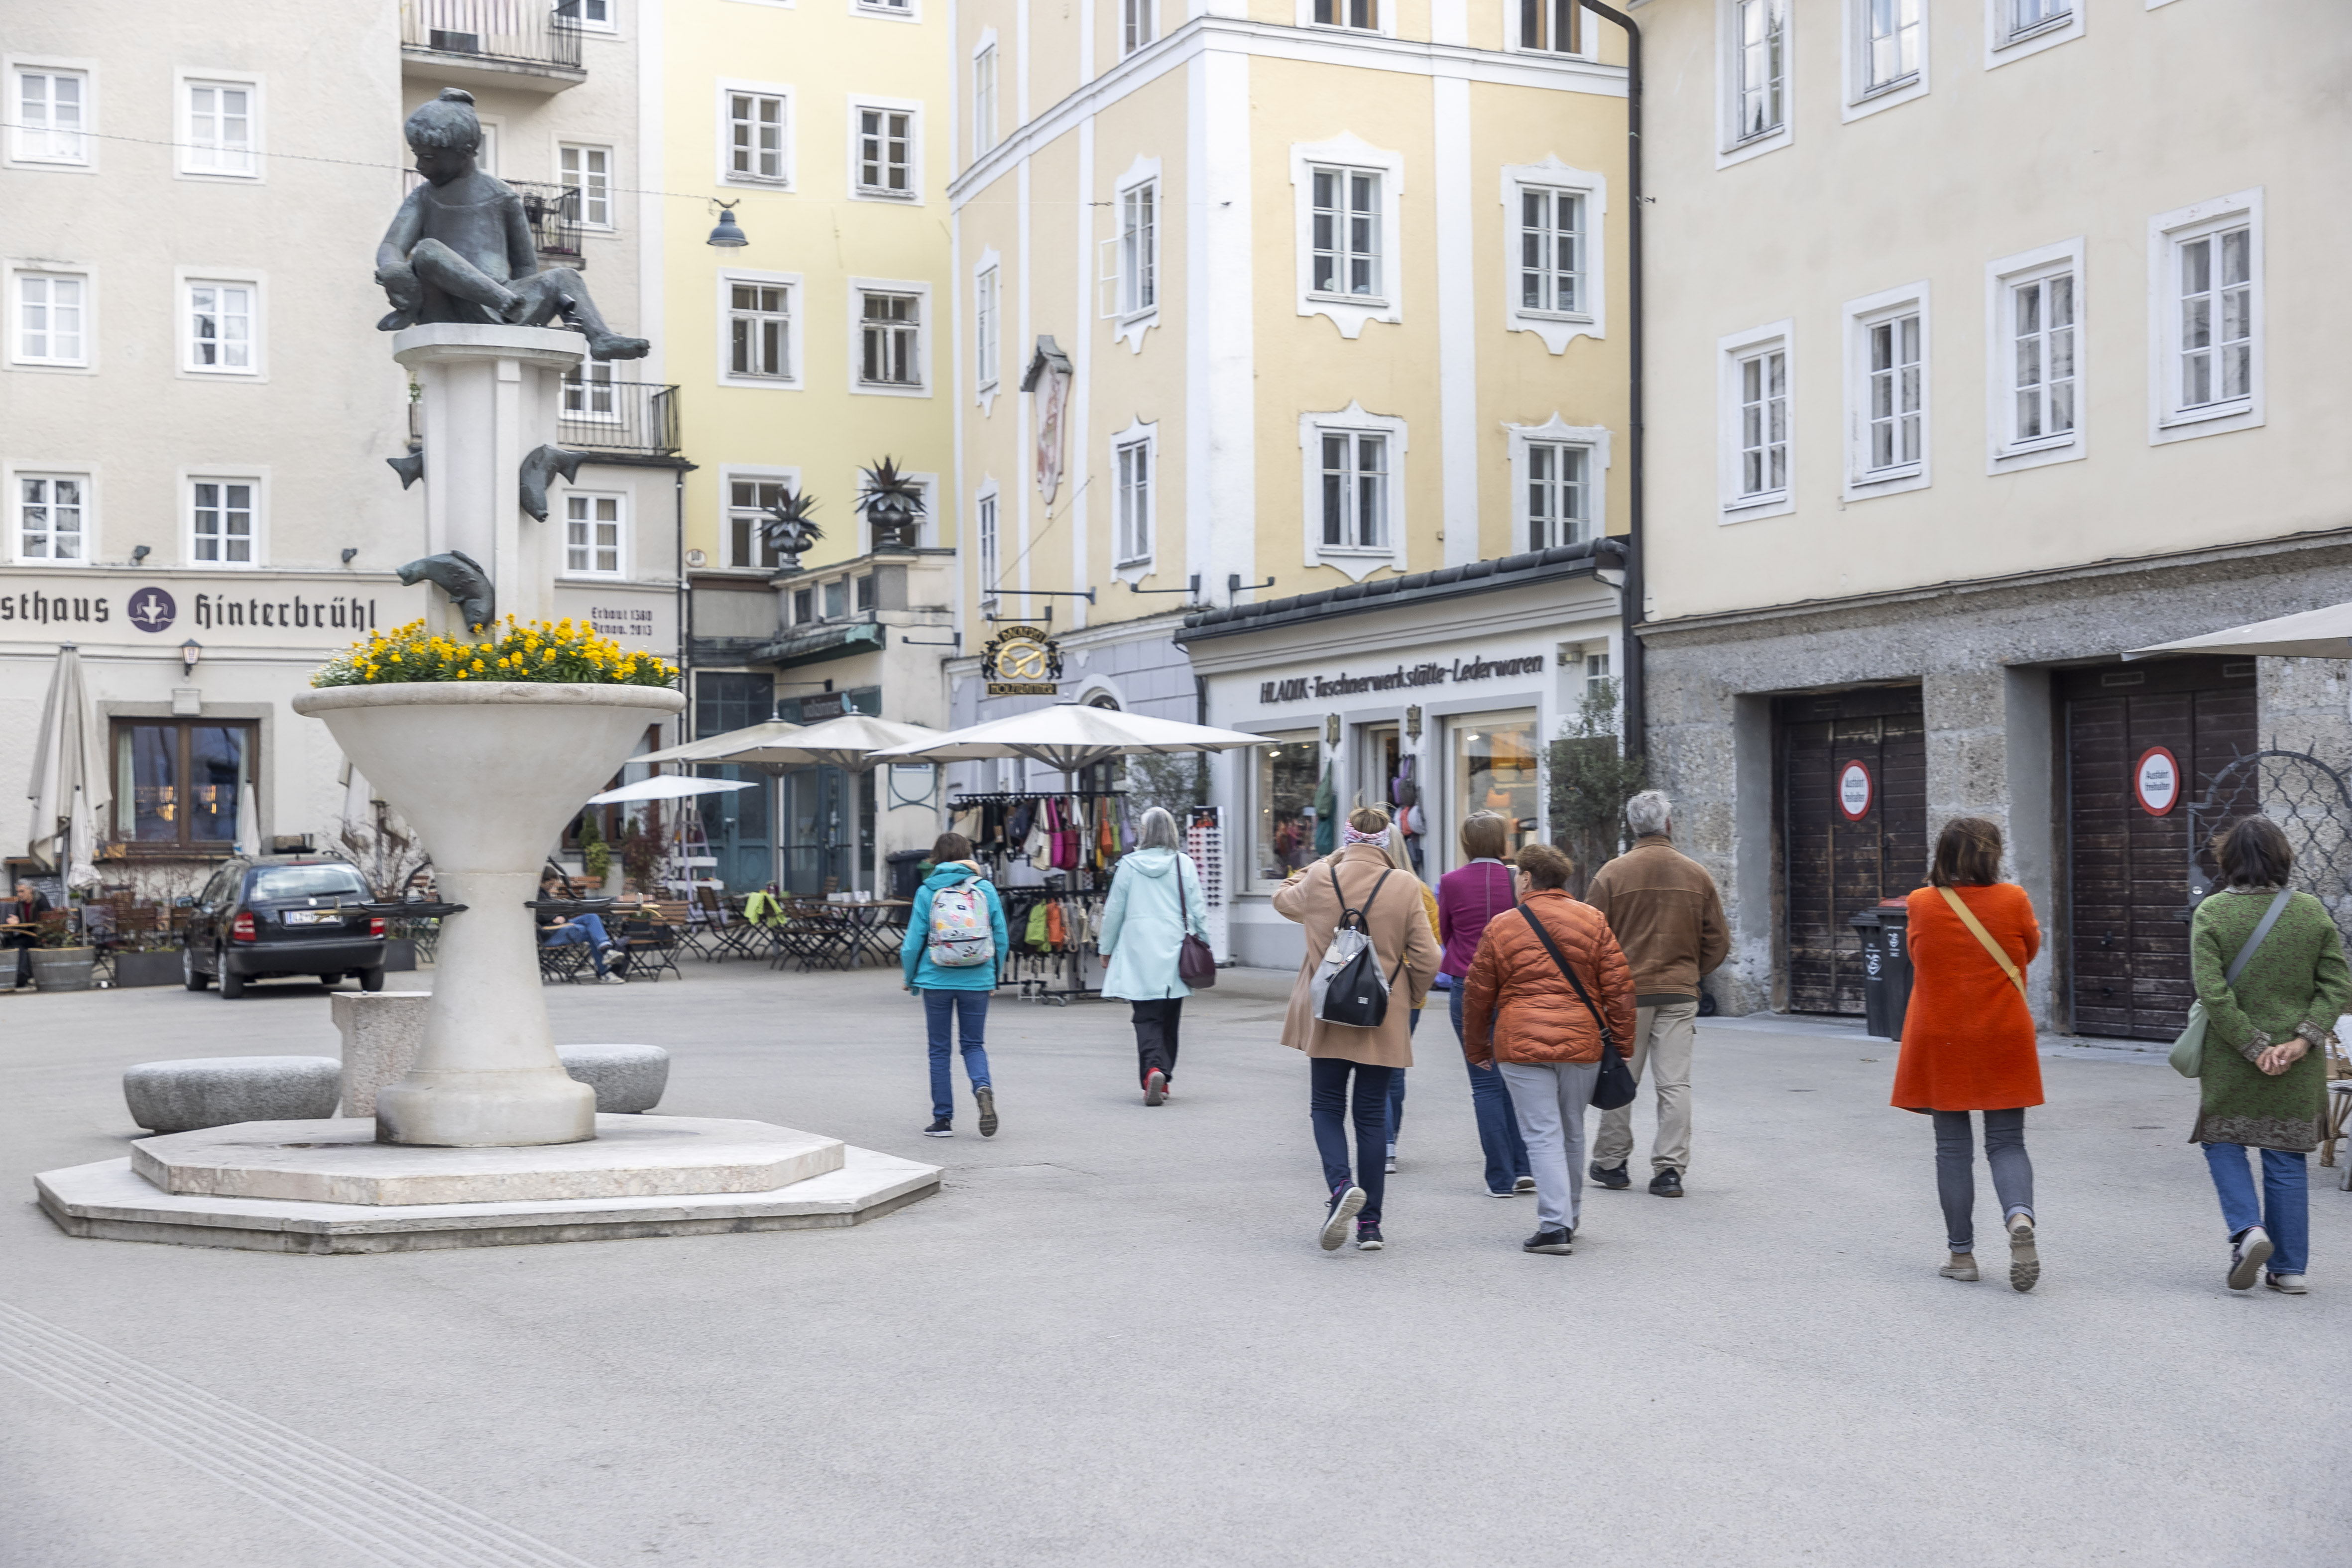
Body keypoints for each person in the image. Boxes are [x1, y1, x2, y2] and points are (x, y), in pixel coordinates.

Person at [2187, 816, 2352, 1295]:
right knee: (2284, 1157)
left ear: (2228, 860)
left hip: (2232, 1058)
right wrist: (2301, 1041)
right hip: (2296, 1063)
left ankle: (2248, 1230)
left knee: (2223, 1140)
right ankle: (2290, 1267)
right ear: (2283, 857)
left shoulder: (2213, 914)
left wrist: (2253, 1046)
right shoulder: (2311, 912)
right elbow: (2338, 985)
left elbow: (2212, 992)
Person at [1272, 805, 1442, 1252]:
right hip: (1381, 1013)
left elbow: (1281, 897)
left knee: (1326, 1106)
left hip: (1327, 1010)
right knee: (1370, 1114)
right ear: (1386, 841)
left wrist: (1327, 862)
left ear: (1346, 840)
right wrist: (1411, 995)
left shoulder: (1319, 879)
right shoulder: (1406, 885)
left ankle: (1340, 1186)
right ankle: (1370, 1227)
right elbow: (1430, 957)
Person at [375, 90, 649, 360]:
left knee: (566, 277)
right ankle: (499, 298)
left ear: (467, 151)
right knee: (427, 252)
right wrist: (394, 269)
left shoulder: (502, 196)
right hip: (448, 306)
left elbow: (525, 266)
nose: (419, 164)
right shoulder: (423, 197)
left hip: (510, 306)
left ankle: (600, 337)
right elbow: (392, 245)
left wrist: (520, 300)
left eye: (429, 157)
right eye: (417, 154)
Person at [1891, 817, 2044, 1292]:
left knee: (1952, 1148)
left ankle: (1962, 1254)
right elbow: (2030, 949)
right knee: (2007, 1142)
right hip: (2003, 1032)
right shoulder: (2014, 899)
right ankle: (2020, 1218)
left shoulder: (1920, 903)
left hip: (1942, 1036)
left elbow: (1920, 957)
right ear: (1992, 855)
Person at [1461, 842, 1635, 1256]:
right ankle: (1569, 1217)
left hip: (1521, 1044)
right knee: (1572, 1129)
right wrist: (1623, 1043)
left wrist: (1476, 1045)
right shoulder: (1593, 920)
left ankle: (1554, 1225)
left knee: (1541, 1133)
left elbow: (1478, 993)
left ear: (1525, 877)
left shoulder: (1503, 926)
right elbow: (1620, 987)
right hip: (1582, 1043)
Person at [1584, 790, 1729, 1199]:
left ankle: (1612, 1162)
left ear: (1633, 826)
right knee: (1675, 1083)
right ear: (1668, 824)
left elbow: (1589, 938)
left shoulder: (1611, 874)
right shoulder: (1696, 874)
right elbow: (1718, 939)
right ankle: (1669, 1170)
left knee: (1620, 1076)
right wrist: (1692, 972)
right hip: (1679, 991)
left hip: (1626, 992)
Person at [1438, 814, 1533, 1198]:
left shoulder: (1450, 882)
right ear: (1503, 841)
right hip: (1514, 987)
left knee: (1484, 1084)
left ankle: (1500, 1177)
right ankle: (1525, 1165)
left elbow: (1445, 933)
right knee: (1517, 1080)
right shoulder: (1520, 881)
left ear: (1466, 842)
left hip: (1469, 985)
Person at [1098, 807, 1210, 1105]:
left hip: (1138, 949)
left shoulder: (1128, 865)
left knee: (1146, 1016)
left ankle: (1152, 1071)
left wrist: (1105, 948)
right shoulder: (1183, 864)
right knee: (1170, 1016)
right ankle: (1164, 1076)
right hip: (1175, 948)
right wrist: (1206, 943)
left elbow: (1114, 911)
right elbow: (1198, 909)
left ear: (1144, 832)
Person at [901, 832, 1009, 1138]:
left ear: (936, 856)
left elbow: (912, 944)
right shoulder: (985, 889)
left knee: (939, 1050)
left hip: (935, 977)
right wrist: (993, 975)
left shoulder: (928, 890)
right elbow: (1000, 937)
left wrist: (910, 978)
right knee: (973, 1045)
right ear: (968, 854)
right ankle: (982, 1087)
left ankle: (943, 1120)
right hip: (978, 977)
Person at [1375, 819, 1442, 1173]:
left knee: (1373, 1065)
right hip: (1407, 989)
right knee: (1395, 1066)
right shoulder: (1419, 890)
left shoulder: (1360, 885)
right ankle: (1388, 1142)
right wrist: (1416, 991)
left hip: (1366, 985)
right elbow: (1432, 948)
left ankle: (1379, 1139)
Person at [537, 874, 625, 984]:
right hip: (550, 933)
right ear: (541, 881)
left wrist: (562, 917)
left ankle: (606, 950)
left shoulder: (544, 893)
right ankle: (605, 970)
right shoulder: (536, 894)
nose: (552, 886)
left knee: (591, 916)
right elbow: (539, 915)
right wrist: (555, 917)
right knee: (591, 932)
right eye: (550, 884)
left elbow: (559, 911)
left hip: (559, 927)